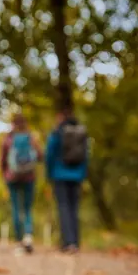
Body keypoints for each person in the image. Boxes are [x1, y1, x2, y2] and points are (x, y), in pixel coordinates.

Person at [45, 107, 88, 253]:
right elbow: (85, 155)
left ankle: (68, 243)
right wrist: (82, 175)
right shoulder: (80, 132)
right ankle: (75, 242)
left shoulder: (57, 132)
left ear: (60, 116)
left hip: (59, 175)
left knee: (63, 207)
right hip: (76, 176)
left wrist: (49, 175)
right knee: (74, 208)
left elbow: (49, 154)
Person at [0, 113, 42, 253]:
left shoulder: (8, 139)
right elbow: (41, 156)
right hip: (29, 177)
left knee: (16, 208)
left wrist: (4, 177)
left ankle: (19, 240)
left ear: (13, 124)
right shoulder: (31, 138)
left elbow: (3, 161)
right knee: (28, 208)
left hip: (12, 178)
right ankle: (28, 236)